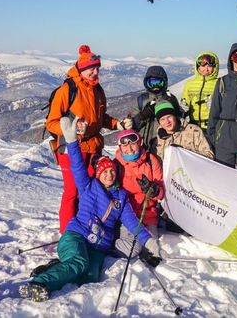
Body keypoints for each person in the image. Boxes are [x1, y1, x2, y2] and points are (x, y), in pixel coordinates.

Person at [20, 116, 159, 302]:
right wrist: (71, 140)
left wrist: (148, 242)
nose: (109, 175)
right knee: (79, 264)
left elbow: (132, 223)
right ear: (99, 175)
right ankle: (39, 283)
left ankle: (55, 267)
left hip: (97, 247)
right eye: (104, 172)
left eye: (111, 171)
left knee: (89, 277)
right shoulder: (88, 187)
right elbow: (77, 165)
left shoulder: (121, 198)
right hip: (77, 236)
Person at [46, 45, 124, 234]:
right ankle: (67, 234)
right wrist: (69, 131)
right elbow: (51, 122)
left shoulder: (98, 90)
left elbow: (101, 118)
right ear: (81, 69)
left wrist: (117, 125)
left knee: (89, 193)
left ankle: (85, 226)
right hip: (70, 148)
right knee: (72, 192)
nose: (95, 72)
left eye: (98, 68)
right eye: (91, 68)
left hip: (93, 147)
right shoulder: (68, 89)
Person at [113, 130, 164, 237]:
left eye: (133, 144)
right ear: (120, 148)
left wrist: (154, 191)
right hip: (127, 215)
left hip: (148, 214)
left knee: (150, 246)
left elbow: (162, 192)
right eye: (125, 145)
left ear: (140, 143)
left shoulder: (150, 160)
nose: (129, 149)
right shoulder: (116, 165)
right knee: (133, 247)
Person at [130, 66, 184, 152]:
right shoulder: (141, 100)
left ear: (164, 82)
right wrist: (143, 116)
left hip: (163, 146)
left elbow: (178, 122)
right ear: (146, 83)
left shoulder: (170, 99)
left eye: (159, 83)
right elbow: (131, 126)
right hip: (142, 147)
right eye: (151, 83)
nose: (155, 86)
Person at [181, 52, 219, 136]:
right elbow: (185, 101)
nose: (206, 69)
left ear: (215, 67)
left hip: (212, 126)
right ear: (197, 67)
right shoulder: (189, 84)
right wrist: (183, 109)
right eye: (203, 66)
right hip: (192, 126)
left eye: (210, 66)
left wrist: (215, 106)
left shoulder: (219, 83)